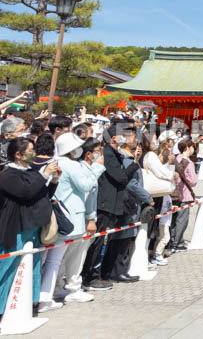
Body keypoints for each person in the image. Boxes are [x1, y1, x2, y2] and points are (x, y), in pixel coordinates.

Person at [0, 137, 59, 336]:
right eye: (31, 150)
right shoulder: (8, 174)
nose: (34, 154)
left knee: (29, 268)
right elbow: (26, 192)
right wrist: (44, 175)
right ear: (18, 154)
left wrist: (53, 181)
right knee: (0, 270)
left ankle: (21, 306)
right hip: (12, 229)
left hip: (31, 228)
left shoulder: (30, 172)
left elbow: (40, 193)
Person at [39, 132, 103, 308]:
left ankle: (53, 290)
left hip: (56, 214)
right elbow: (86, 185)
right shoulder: (70, 165)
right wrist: (96, 168)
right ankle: (48, 296)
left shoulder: (55, 162)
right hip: (70, 217)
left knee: (52, 259)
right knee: (56, 260)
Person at [80, 124, 134, 291]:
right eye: (120, 135)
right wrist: (134, 165)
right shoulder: (108, 154)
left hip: (112, 204)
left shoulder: (115, 153)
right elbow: (120, 177)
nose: (124, 137)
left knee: (105, 240)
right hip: (105, 204)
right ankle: (91, 276)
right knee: (99, 242)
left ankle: (99, 274)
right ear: (112, 138)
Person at [105, 133, 151, 282]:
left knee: (124, 238)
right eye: (131, 137)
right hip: (127, 203)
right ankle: (117, 271)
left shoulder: (131, 160)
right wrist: (147, 198)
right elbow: (131, 184)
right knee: (121, 238)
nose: (136, 140)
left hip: (130, 202)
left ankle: (118, 270)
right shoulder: (126, 161)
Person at [146, 138, 175, 265]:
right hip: (158, 205)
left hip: (163, 207)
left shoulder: (151, 157)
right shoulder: (150, 156)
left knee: (159, 234)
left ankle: (155, 253)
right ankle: (156, 255)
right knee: (162, 235)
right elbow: (163, 173)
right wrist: (171, 172)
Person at [168, 139, 198, 253]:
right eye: (192, 147)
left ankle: (171, 241)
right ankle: (178, 243)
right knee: (182, 220)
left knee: (173, 219)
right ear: (187, 148)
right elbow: (193, 181)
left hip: (173, 193)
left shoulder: (176, 158)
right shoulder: (188, 162)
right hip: (184, 194)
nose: (193, 149)